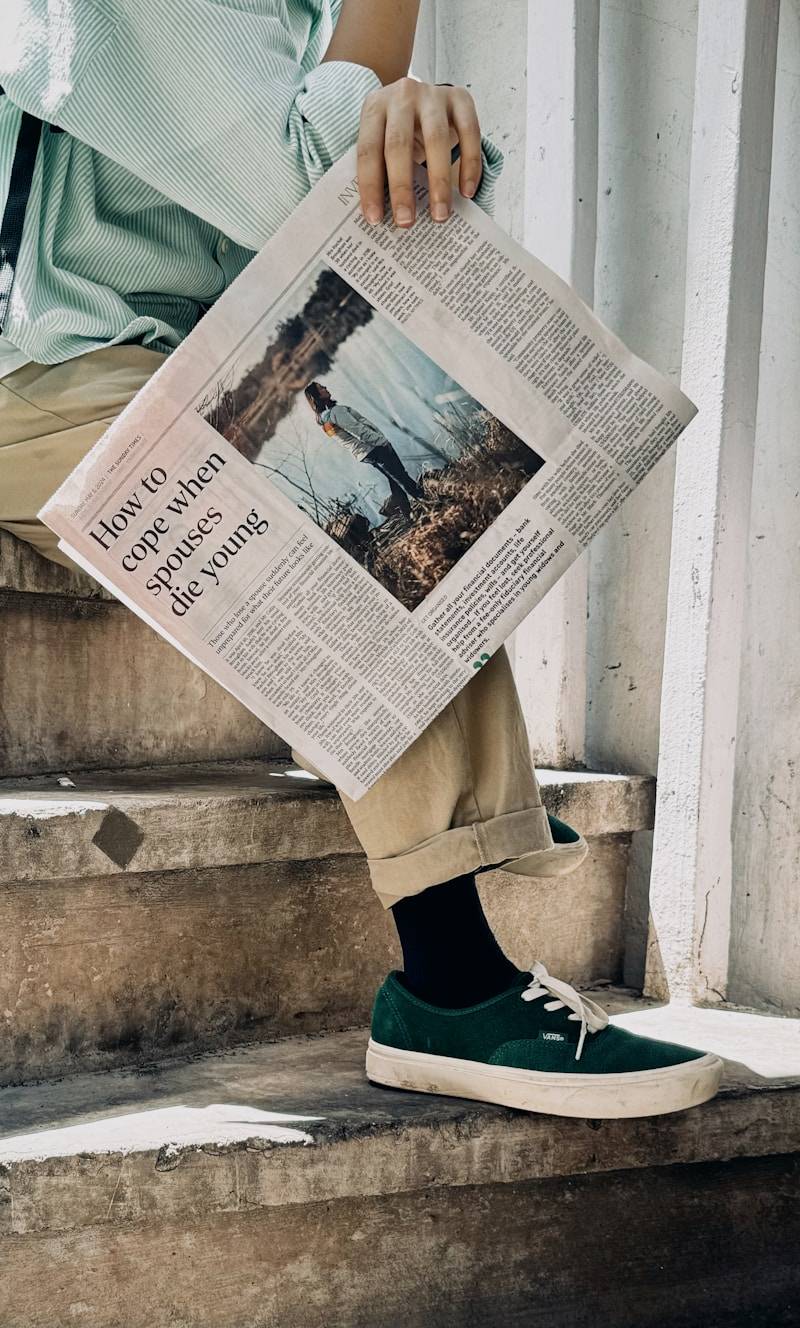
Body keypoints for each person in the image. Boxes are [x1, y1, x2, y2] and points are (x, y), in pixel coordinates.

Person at [0, 0, 721, 1117]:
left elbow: (358, 237)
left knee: (419, 484)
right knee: (340, 529)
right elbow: (311, 197)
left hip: (188, 361)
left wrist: (417, 124)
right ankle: (450, 982)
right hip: (47, 375)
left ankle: (456, 817)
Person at [305, 379, 423, 518]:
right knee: (401, 476)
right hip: (374, 447)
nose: (325, 387)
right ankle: (425, 499)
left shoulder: (325, 422)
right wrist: (382, 442)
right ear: (317, 396)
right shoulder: (336, 412)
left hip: (364, 453)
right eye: (321, 388)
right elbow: (358, 430)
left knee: (395, 479)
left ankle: (404, 512)